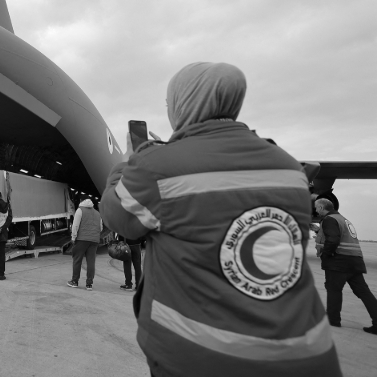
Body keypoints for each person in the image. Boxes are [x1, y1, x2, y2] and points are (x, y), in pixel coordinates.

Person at [100, 62, 340, 377]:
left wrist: (132, 160)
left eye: (170, 103)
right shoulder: (288, 166)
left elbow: (118, 216)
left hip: (204, 356)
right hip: (306, 351)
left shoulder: (158, 166)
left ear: (186, 103)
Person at [314, 197, 377, 334]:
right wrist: (317, 230)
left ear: (321, 208)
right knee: (364, 292)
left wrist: (326, 254)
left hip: (338, 262)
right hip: (354, 261)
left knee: (334, 290)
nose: (315, 210)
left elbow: (333, 239)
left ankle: (333, 320)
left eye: (316, 207)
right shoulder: (342, 219)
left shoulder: (329, 220)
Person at [67, 198, 102, 290]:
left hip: (82, 239)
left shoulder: (80, 210)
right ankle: (89, 284)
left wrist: (73, 237)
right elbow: (101, 228)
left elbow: (75, 225)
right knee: (91, 262)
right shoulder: (97, 213)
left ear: (81, 202)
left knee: (77, 260)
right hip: (94, 240)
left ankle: (74, 281)